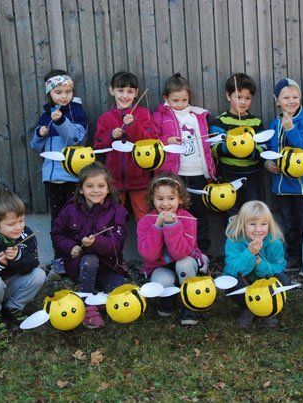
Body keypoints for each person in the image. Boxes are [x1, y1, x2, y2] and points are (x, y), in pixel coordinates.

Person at [51, 162, 128, 328]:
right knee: (90, 259)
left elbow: (117, 244)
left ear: (108, 189)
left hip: (108, 266)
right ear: (81, 189)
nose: (95, 190)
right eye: (89, 186)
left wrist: (96, 242)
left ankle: (96, 295)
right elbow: (57, 234)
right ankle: (87, 304)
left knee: (122, 288)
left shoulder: (117, 211)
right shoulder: (70, 209)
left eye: (101, 186)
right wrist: (71, 247)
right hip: (79, 265)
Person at [30, 69, 88, 274]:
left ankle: (77, 257)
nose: (64, 96)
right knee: (57, 219)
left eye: (68, 91)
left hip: (72, 176)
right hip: (52, 178)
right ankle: (60, 259)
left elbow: (77, 139)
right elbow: (35, 146)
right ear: (49, 94)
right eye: (58, 92)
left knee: (76, 218)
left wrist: (61, 122)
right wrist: (40, 133)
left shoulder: (77, 112)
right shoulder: (46, 114)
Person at [153, 73, 216, 253]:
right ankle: (175, 251)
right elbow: (152, 139)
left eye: (184, 100)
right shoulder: (160, 115)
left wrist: (210, 171)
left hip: (197, 173)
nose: (180, 104)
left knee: (199, 214)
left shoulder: (198, 115)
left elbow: (205, 144)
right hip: (174, 173)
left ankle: (202, 253)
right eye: (175, 100)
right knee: (175, 213)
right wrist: (167, 140)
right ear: (166, 98)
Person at [137, 174, 206, 325]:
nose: (165, 204)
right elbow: (150, 254)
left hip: (184, 260)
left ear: (180, 199)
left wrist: (171, 226)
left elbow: (180, 253)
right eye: (160, 199)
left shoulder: (188, 219)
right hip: (159, 265)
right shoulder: (145, 221)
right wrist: (157, 226)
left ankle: (188, 303)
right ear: (152, 199)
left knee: (184, 264)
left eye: (171, 198)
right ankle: (168, 300)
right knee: (163, 280)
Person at [265, 78, 303, 268]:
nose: (291, 101)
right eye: (286, 97)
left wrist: (291, 129)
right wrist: (268, 161)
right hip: (282, 184)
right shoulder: (274, 123)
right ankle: (294, 256)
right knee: (288, 222)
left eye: (295, 97)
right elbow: (268, 147)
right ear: (277, 100)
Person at [0, 190, 46, 333]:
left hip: (11, 285)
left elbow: (33, 263)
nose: (18, 227)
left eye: (21, 221)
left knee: (39, 274)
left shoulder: (26, 234)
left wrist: (19, 257)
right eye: (11, 224)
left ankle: (13, 307)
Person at [94, 71, 157, 222]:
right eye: (120, 90)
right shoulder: (105, 118)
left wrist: (133, 125)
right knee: (114, 220)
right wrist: (111, 136)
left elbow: (150, 142)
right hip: (113, 180)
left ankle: (148, 246)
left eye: (130, 91)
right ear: (112, 91)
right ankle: (114, 246)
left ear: (136, 93)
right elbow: (97, 146)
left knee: (145, 219)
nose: (125, 96)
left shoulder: (143, 114)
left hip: (140, 180)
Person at [224, 201, 287, 329]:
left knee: (282, 280)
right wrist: (250, 253)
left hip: (265, 281)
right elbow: (233, 269)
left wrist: (260, 264)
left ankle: (268, 308)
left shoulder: (274, 241)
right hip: (245, 282)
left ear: (269, 225)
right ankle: (248, 308)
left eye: (263, 224)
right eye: (252, 224)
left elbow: (279, 267)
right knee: (231, 283)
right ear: (243, 225)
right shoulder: (234, 240)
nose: (258, 229)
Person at [209, 73, 265, 215]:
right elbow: (213, 149)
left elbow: (263, 148)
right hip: (228, 176)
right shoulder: (219, 122)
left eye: (247, 98)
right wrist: (231, 147)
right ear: (228, 96)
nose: (243, 102)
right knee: (231, 213)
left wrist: (250, 151)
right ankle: (232, 238)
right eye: (238, 97)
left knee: (252, 213)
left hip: (251, 177)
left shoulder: (256, 123)